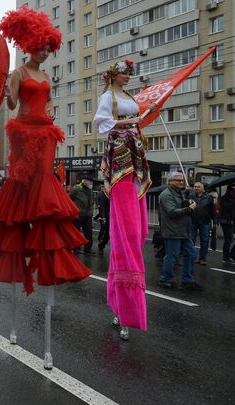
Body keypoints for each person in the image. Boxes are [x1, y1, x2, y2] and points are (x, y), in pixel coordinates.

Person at [0, 6, 91, 295]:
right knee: (24, 180)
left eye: (48, 49)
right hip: (23, 131)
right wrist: (6, 93)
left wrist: (50, 112)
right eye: (41, 48)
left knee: (46, 176)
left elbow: (49, 104)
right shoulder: (19, 72)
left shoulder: (46, 76)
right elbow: (11, 106)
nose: (45, 53)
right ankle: (22, 227)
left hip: (45, 132)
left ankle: (44, 239)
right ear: (31, 47)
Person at [93, 58, 154, 339]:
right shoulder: (108, 97)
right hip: (119, 153)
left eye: (130, 74)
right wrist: (129, 121)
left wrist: (139, 118)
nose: (128, 77)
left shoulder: (128, 95)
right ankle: (124, 308)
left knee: (138, 232)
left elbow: (136, 120)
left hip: (134, 150)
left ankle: (124, 305)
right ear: (114, 75)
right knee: (126, 234)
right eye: (124, 73)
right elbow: (101, 124)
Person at [159, 172, 203, 291]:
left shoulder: (180, 193)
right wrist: (189, 209)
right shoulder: (166, 194)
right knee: (172, 256)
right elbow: (172, 212)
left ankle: (187, 280)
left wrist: (189, 203)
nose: (181, 182)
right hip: (173, 230)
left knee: (191, 254)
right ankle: (165, 279)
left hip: (184, 230)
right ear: (170, 181)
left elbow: (181, 206)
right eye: (178, 180)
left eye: (182, 180)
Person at [189, 182, 214, 266]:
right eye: (195, 187)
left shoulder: (208, 198)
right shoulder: (190, 196)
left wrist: (214, 220)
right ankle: (192, 257)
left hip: (204, 221)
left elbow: (212, 210)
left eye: (198, 187)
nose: (196, 188)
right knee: (192, 240)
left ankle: (202, 258)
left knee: (204, 241)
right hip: (193, 221)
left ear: (202, 188)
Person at [69, 175, 95, 255]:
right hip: (78, 214)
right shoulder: (76, 189)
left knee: (88, 232)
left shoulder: (89, 190)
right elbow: (69, 198)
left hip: (88, 214)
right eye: (90, 181)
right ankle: (76, 248)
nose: (91, 183)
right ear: (84, 181)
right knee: (76, 231)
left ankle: (88, 248)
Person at [220, 183, 235, 264]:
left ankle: (232, 255)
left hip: (233, 221)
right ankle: (226, 258)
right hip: (226, 221)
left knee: (230, 239)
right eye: (233, 190)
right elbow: (225, 207)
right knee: (229, 239)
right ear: (229, 190)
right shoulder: (224, 198)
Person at [95, 188, 110, 255]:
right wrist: (103, 217)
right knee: (107, 234)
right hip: (107, 216)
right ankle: (102, 244)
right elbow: (102, 206)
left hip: (116, 216)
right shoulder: (104, 193)